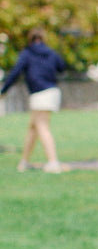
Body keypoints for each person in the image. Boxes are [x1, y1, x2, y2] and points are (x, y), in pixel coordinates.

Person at [1, 28, 67, 173]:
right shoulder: (51, 52)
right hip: (53, 91)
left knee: (42, 126)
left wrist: (3, 90)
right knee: (33, 127)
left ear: (30, 39)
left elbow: (15, 72)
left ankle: (53, 163)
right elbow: (62, 67)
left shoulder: (27, 53)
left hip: (40, 94)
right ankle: (24, 162)